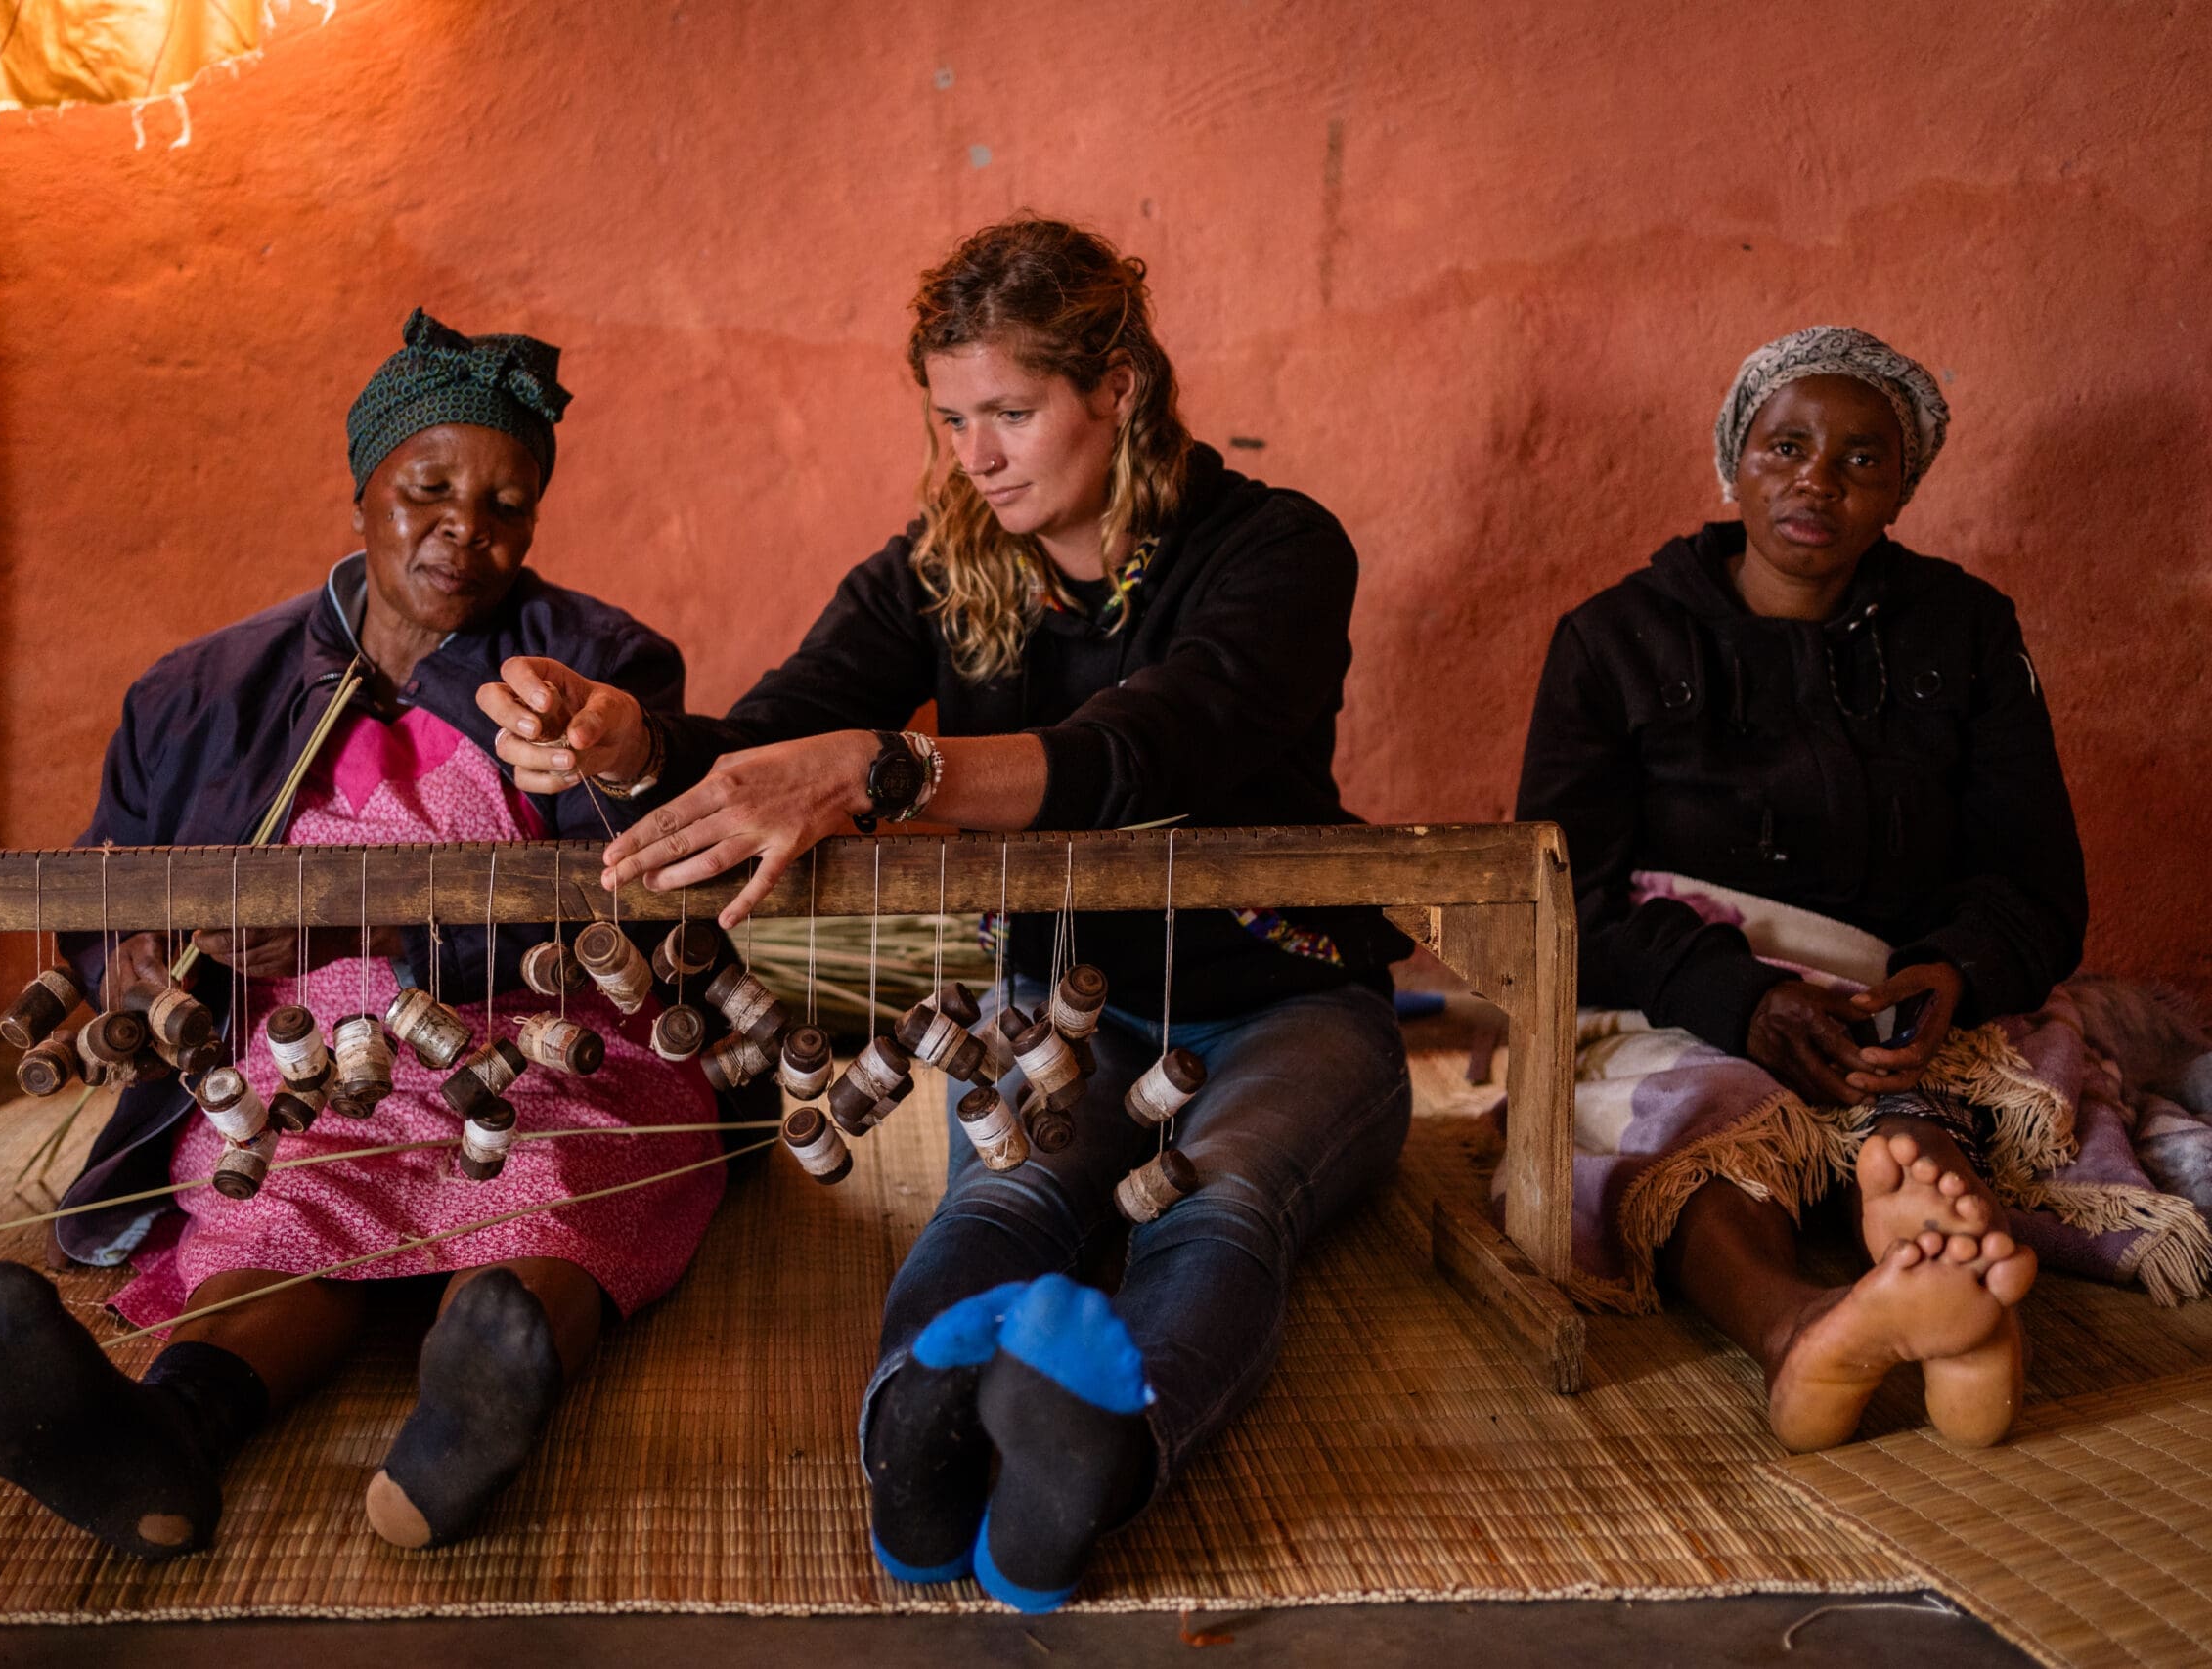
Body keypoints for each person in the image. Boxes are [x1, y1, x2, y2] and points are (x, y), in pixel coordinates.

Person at [475, 217, 1414, 1611]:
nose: (975, 454)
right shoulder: (940, 567)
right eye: (953, 416)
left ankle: (1083, 1456)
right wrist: (628, 747)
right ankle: (915, 1441)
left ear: (1122, 392)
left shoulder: (1276, 549)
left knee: (1222, 1197)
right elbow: (776, 731)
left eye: (1012, 413)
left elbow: (1147, 744)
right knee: (1013, 1183)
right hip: (1058, 998)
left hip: (1282, 990)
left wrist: (885, 764)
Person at [0, 310, 729, 1559]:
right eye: (428, 490)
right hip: (304, 1056)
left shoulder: (598, 666)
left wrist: (381, 921)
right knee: (277, 1195)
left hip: (546, 1044)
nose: (466, 529)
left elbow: (642, 887)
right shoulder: (200, 690)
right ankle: (162, 1439)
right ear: (362, 484)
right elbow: (110, 892)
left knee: (549, 1182)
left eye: (506, 506)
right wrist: (137, 963)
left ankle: (478, 1392)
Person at [1513, 324, 2132, 1452]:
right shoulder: (1611, 641)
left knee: (1911, 1109)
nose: (1816, 479)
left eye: (1861, 458)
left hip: (1886, 1003)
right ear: (1732, 464)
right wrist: (1742, 1001)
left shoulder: (1967, 630)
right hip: (1670, 997)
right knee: (1695, 1137)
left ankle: (1923, 1248)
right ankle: (1803, 1325)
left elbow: (2036, 881)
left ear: (1903, 488)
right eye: (1784, 446)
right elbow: (1559, 903)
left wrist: (1948, 974)